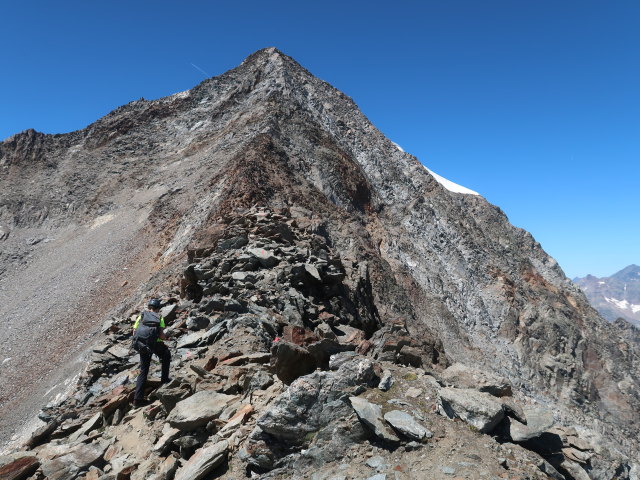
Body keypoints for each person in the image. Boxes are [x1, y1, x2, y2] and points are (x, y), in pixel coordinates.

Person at [132, 298, 171, 407]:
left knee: (143, 370)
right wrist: (166, 337)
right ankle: (164, 380)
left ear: (149, 307)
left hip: (142, 344)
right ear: (158, 308)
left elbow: (134, 331)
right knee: (166, 354)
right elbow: (162, 336)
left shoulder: (142, 316)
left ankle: (137, 400)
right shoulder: (159, 317)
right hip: (155, 344)